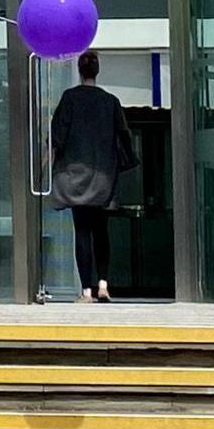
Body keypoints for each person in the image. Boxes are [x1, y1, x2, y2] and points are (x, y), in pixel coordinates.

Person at [50, 50, 134, 304]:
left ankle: (86, 291)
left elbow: (58, 136)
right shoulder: (110, 101)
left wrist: (48, 161)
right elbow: (123, 136)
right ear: (97, 71)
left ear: (79, 69)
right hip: (103, 177)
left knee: (83, 231)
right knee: (101, 230)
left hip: (75, 177)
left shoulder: (70, 98)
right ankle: (104, 284)